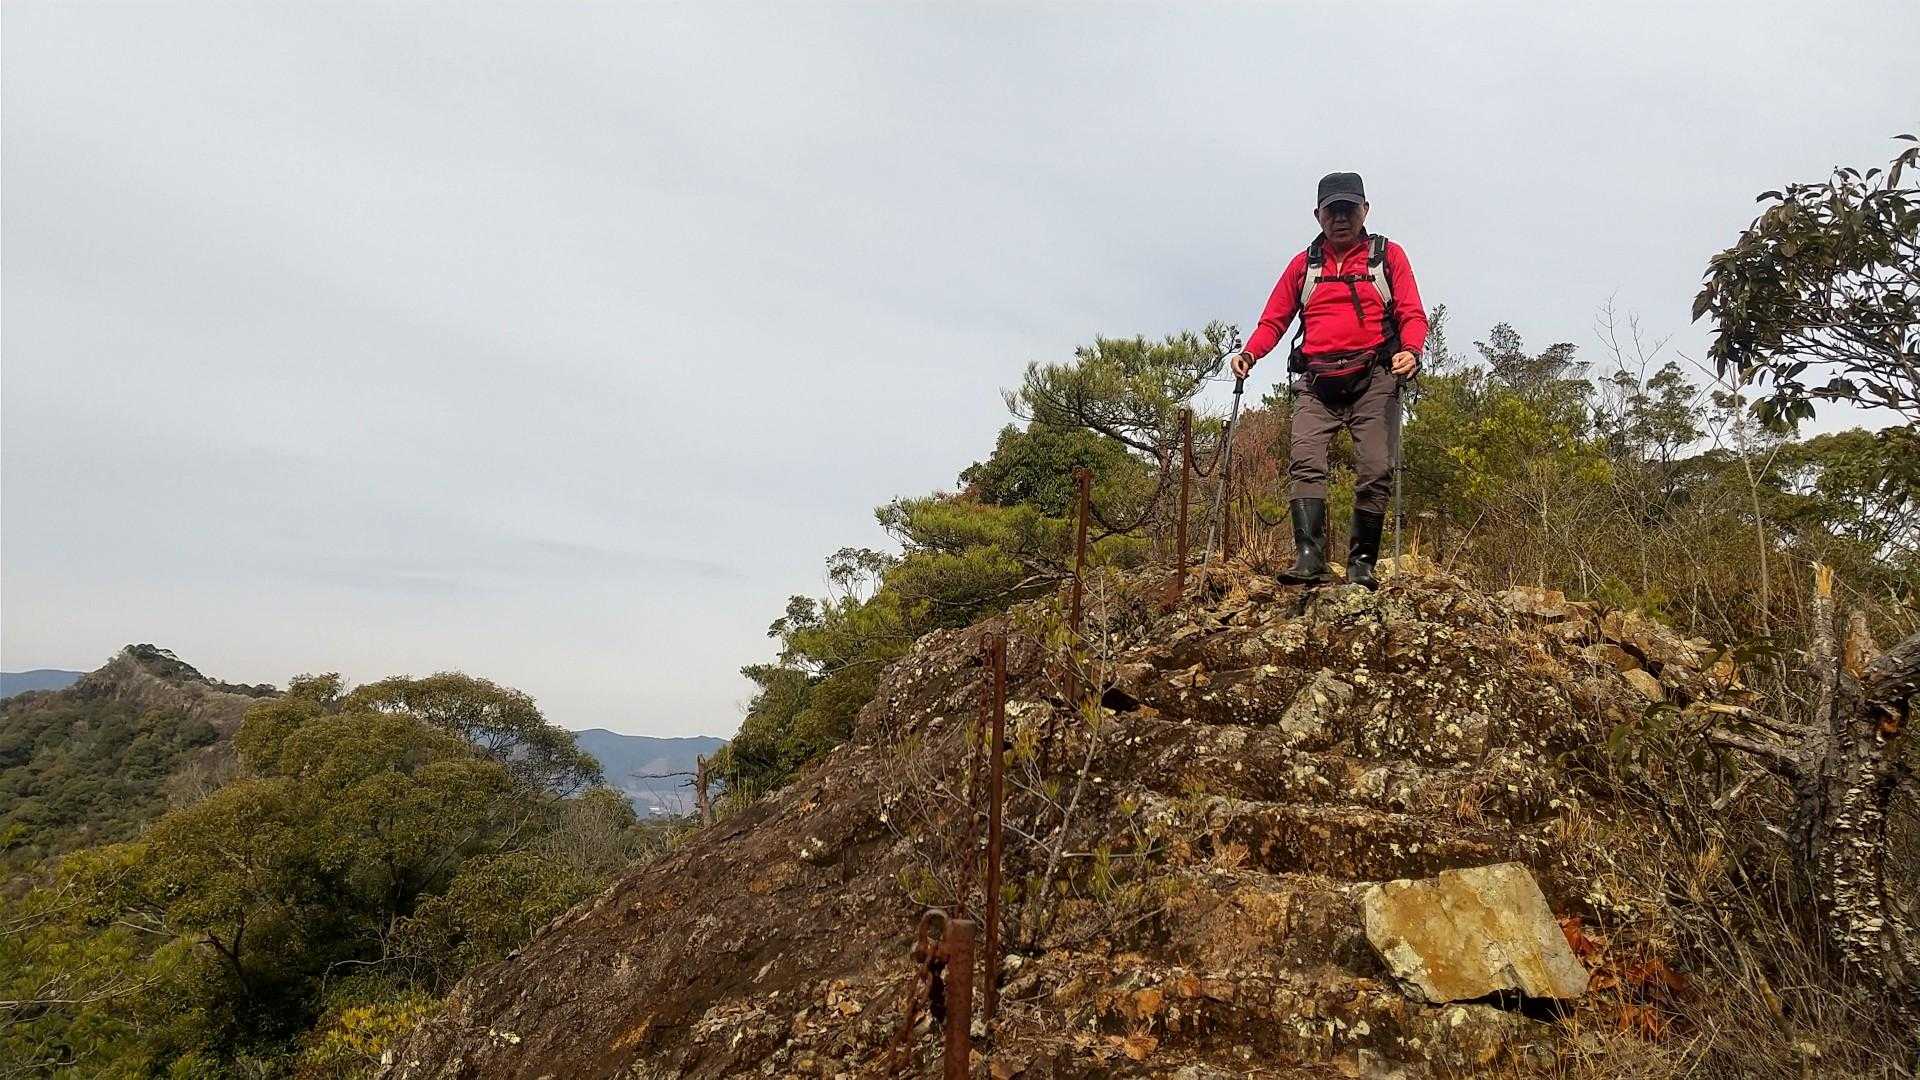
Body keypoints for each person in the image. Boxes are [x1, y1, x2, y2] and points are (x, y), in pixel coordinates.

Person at [1226, 171, 1428, 589]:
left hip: (1375, 377)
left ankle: (1362, 564)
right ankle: (1309, 557)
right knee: (1305, 462)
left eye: (1348, 209)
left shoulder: (1387, 257)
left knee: (1376, 467)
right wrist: (1249, 354)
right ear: (1317, 215)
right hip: (1316, 382)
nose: (1340, 218)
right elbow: (1274, 320)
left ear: (1364, 210)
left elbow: (1412, 313)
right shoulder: (1303, 266)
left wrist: (1411, 349)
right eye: (1332, 210)